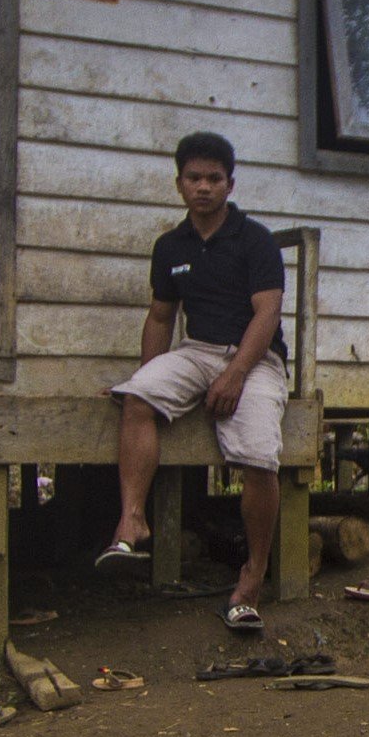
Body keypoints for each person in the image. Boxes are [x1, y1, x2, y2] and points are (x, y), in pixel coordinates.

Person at [101, 132, 287, 632]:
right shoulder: (170, 246)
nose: (203, 187)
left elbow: (267, 314)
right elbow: (161, 318)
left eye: (213, 178)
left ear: (230, 183)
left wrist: (236, 373)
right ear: (179, 183)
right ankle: (132, 521)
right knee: (137, 397)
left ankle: (252, 577)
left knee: (258, 455)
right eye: (193, 178)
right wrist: (144, 373)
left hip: (256, 357)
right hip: (197, 350)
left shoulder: (255, 240)